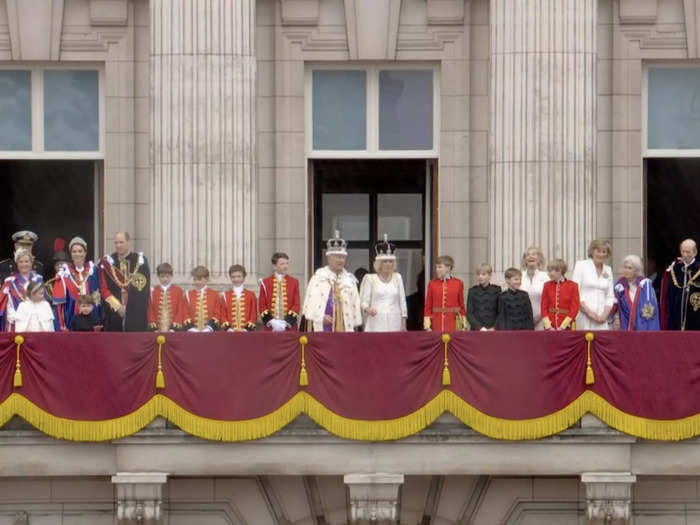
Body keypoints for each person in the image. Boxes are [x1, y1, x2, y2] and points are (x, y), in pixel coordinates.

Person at [302, 231, 362, 332]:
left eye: (343, 257)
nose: (341, 260)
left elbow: (355, 308)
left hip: (345, 330)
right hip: (322, 329)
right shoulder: (318, 278)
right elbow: (309, 306)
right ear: (329, 258)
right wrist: (320, 317)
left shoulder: (350, 281)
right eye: (337, 257)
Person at [98, 232, 150, 332]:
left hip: (134, 313)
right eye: (116, 243)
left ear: (128, 242)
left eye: (121, 242)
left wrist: (130, 308)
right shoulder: (107, 262)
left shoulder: (140, 261)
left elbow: (143, 289)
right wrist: (117, 306)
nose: (118, 245)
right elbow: (104, 289)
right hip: (114, 313)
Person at [52, 237, 102, 331]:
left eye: (80, 251)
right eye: (74, 251)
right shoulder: (64, 273)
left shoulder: (92, 270)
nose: (77, 254)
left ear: (85, 253)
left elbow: (97, 298)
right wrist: (62, 325)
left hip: (91, 319)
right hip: (71, 318)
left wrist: (97, 321)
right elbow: (59, 305)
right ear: (71, 254)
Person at [359, 235, 408, 332]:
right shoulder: (370, 279)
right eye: (385, 261)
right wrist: (368, 309)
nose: (388, 264)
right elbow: (363, 302)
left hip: (395, 322)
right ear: (379, 263)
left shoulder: (397, 278)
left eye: (390, 261)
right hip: (376, 322)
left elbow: (402, 301)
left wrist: (403, 323)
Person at [572, 239, 615, 331]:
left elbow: (610, 296)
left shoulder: (608, 270)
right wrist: (590, 313)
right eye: (598, 251)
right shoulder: (581, 265)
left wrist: (604, 316)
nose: (601, 254)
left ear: (607, 254)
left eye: (604, 252)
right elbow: (575, 292)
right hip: (584, 316)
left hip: (602, 319)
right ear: (592, 251)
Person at [661, 239, 700, 330]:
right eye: (683, 251)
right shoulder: (675, 269)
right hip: (676, 318)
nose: (685, 255)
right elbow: (670, 296)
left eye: (688, 252)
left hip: (696, 317)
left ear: (695, 252)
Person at [0, 249, 44, 332]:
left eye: (26, 261)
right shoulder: (9, 283)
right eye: (21, 261)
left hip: (36, 326)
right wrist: (18, 318)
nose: (24, 264)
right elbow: (6, 307)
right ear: (17, 264)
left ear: (31, 263)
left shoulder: (38, 280)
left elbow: (43, 303)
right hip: (16, 326)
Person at [613, 255, 660, 331]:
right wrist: (615, 319)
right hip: (625, 327)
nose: (626, 270)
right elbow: (614, 306)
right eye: (625, 267)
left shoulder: (645, 285)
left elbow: (652, 310)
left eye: (630, 268)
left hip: (644, 328)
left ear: (636, 270)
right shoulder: (619, 285)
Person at [258, 252, 300, 332]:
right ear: (274, 266)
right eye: (282, 264)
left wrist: (286, 322)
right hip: (271, 327)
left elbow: (296, 304)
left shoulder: (294, 282)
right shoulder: (265, 282)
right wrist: (272, 322)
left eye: (287, 263)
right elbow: (262, 305)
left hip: (288, 327)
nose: (285, 266)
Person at [423, 255, 466, 332]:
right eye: (436, 267)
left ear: (448, 268)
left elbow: (461, 305)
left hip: (453, 324)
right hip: (436, 323)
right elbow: (428, 306)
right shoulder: (432, 284)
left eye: (440, 267)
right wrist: (427, 325)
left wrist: (464, 324)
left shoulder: (458, 283)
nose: (437, 270)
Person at [147, 263, 189, 332]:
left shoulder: (178, 291)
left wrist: (175, 327)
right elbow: (150, 309)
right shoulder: (153, 291)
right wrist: (153, 326)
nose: (165, 279)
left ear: (171, 276)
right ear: (158, 276)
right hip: (157, 330)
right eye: (162, 276)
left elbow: (180, 309)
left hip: (174, 330)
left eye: (167, 276)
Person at [541, 259, 580, 330]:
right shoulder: (547, 285)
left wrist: (563, 326)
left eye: (550, 271)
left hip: (566, 326)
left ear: (559, 271)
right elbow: (543, 307)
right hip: (550, 326)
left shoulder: (573, 286)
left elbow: (574, 308)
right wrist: (548, 326)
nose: (548, 274)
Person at [520, 246, 550, 329]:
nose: (530, 256)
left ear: (539, 259)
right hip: (521, 321)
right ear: (524, 260)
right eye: (527, 255)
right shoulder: (519, 276)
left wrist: (539, 317)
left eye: (534, 254)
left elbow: (551, 300)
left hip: (543, 321)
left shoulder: (546, 277)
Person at [221, 264, 257, 331]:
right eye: (233, 277)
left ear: (244, 277)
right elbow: (223, 315)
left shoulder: (251, 295)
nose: (236, 279)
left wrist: (246, 329)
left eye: (239, 276)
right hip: (230, 332)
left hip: (247, 332)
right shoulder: (225, 295)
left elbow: (253, 314)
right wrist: (228, 328)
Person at [185, 266, 221, 332]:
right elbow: (185, 313)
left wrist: (209, 328)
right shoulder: (188, 295)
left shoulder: (214, 294)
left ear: (206, 279)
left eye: (199, 279)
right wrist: (191, 328)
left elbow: (217, 313)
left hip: (210, 333)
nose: (197, 282)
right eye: (194, 279)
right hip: (192, 332)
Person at [466, 263, 500, 331]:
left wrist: (494, 327)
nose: (480, 277)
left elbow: (500, 312)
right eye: (478, 274)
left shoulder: (497, 290)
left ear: (490, 276)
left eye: (483, 274)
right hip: (477, 330)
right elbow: (469, 313)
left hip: (493, 330)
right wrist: (480, 328)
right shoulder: (472, 291)